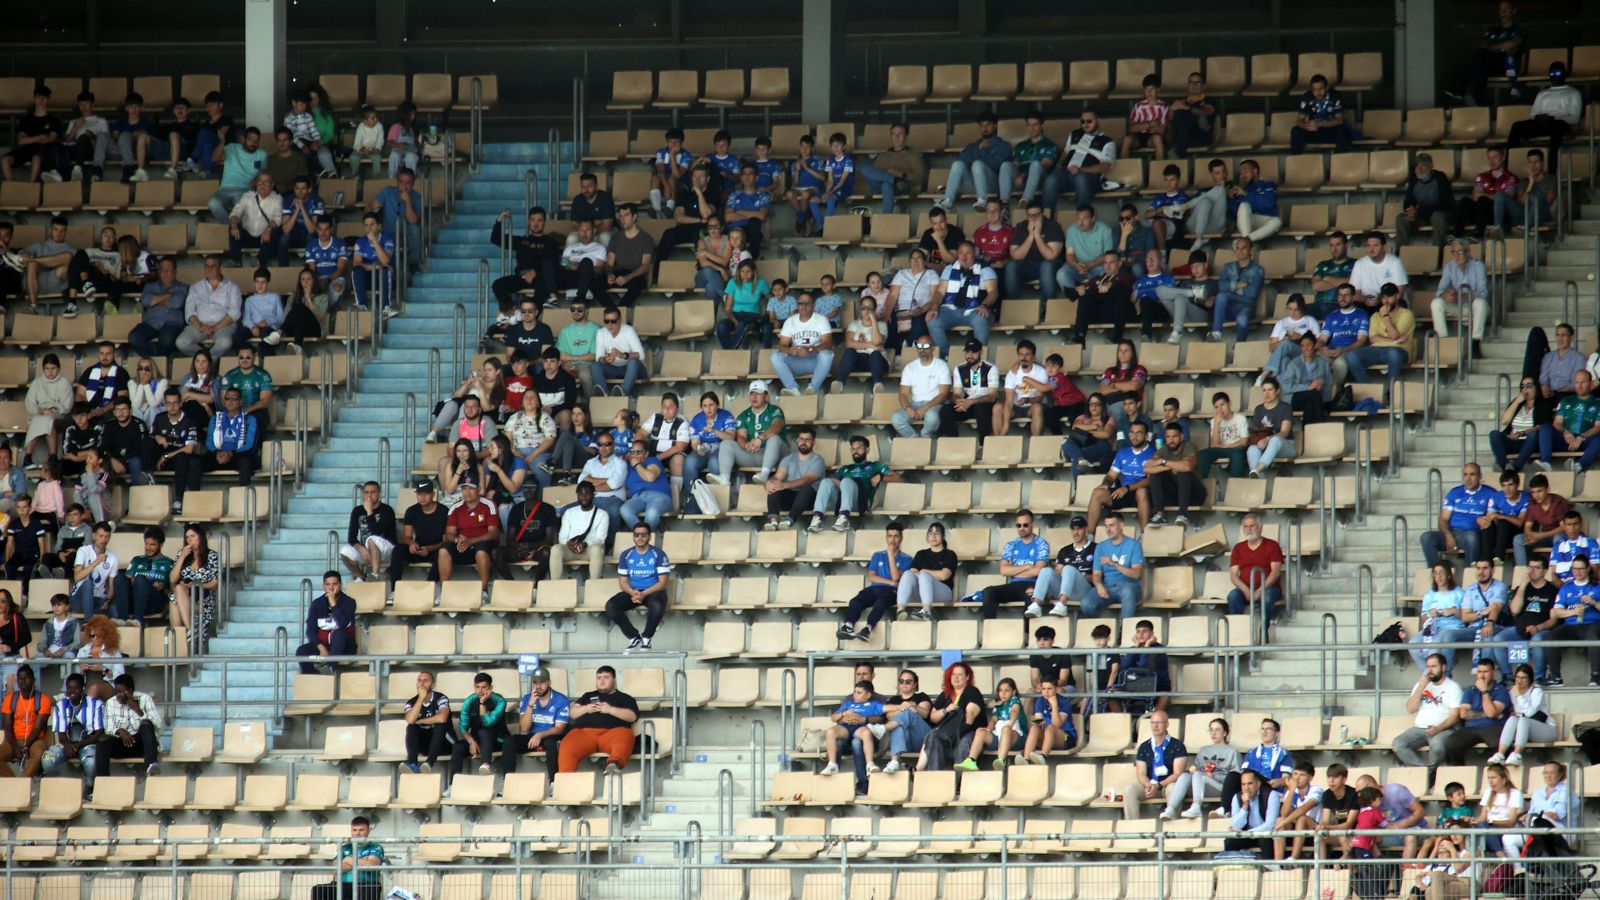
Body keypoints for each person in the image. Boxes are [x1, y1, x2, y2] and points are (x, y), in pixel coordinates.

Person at [837, 522, 913, 641]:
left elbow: (896, 578)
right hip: (875, 588)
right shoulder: (877, 555)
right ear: (886, 537)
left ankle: (867, 629)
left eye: (896, 536)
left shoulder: (907, 559)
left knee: (881, 602)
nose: (892, 540)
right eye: (890, 536)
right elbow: (872, 577)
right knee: (856, 601)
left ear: (901, 538)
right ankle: (848, 626)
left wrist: (891, 555)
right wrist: (890, 582)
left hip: (891, 591)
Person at [496, 665, 570, 787]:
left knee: (551, 743)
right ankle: (507, 783)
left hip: (550, 735)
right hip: (532, 736)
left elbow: (559, 729)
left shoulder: (561, 699)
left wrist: (540, 735)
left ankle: (554, 783)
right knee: (509, 741)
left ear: (549, 682)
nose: (538, 686)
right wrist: (530, 705)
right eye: (535, 682)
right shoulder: (527, 699)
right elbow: (524, 728)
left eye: (542, 682)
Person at [558, 666, 640, 774]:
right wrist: (586, 708)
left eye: (606, 677)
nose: (602, 680)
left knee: (626, 735)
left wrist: (610, 710)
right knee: (567, 743)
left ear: (614, 680)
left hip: (612, 733)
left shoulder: (625, 698)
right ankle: (565, 777)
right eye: (599, 677)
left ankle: (614, 764)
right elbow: (572, 713)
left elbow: (632, 716)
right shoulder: (588, 696)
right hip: (585, 733)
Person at [606, 523, 672, 652]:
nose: (640, 538)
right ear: (633, 537)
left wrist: (644, 594)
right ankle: (633, 637)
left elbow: (663, 582)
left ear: (649, 537)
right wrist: (633, 592)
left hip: (653, 591)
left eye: (643, 535)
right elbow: (623, 582)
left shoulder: (658, 554)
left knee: (658, 604)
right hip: (634, 591)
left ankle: (647, 638)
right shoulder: (626, 555)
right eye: (636, 535)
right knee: (611, 606)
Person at [812, 434, 897, 532]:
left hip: (862, 501)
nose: (856, 451)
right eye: (853, 449)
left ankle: (843, 518)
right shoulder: (845, 468)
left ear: (867, 450)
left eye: (859, 448)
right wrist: (843, 485)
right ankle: (817, 518)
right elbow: (832, 479)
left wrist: (881, 476)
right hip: (842, 500)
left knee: (847, 481)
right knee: (826, 481)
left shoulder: (875, 466)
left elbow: (898, 478)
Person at [1449, 0, 1525, 105]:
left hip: (1508, 65)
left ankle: (1462, 88)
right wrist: (1499, 47)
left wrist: (1492, 47)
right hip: (1489, 64)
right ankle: (1477, 97)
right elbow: (1482, 46)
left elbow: (1511, 44)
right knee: (1479, 57)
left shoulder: (1519, 30)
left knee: (1480, 59)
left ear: (1513, 11)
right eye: (1501, 9)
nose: (1503, 12)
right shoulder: (1493, 31)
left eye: (1506, 9)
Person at [978, 509, 1051, 618]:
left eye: (1025, 525)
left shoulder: (1042, 544)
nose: (1022, 528)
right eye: (1018, 525)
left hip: (1034, 584)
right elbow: (1003, 570)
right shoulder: (1010, 545)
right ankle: (991, 625)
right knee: (988, 592)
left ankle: (1027, 629)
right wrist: (1027, 567)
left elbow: (1038, 571)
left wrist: (1013, 570)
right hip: (1014, 585)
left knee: (1031, 597)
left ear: (1032, 524)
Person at [928, 242, 999, 353]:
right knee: (932, 320)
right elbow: (940, 292)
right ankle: (945, 354)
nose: (964, 257)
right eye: (961, 253)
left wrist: (984, 305)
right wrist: (934, 307)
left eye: (968, 253)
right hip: (950, 309)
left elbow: (993, 292)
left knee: (981, 318)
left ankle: (978, 355)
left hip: (975, 310)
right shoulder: (949, 269)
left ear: (974, 254)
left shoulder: (985, 269)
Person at [1346, 282, 1415, 395]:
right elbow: (1373, 339)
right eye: (1383, 297)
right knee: (1351, 355)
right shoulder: (1375, 316)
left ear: (1397, 296)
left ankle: (1392, 393)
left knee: (1393, 354)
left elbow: (1394, 335)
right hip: (1377, 349)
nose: (1386, 301)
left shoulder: (1406, 314)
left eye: (1389, 297)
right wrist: (1394, 341)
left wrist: (1385, 316)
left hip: (1400, 350)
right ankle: (1370, 392)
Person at [1121, 708, 1189, 820]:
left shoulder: (1177, 745)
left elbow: (1178, 774)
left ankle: (1173, 824)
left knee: (1174, 788)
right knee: (1130, 789)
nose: (1155, 726)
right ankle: (1132, 825)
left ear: (1167, 724)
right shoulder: (1144, 746)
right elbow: (1141, 773)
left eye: (1159, 722)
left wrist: (1158, 785)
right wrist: (1148, 785)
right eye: (1153, 723)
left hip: (1167, 785)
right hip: (1150, 785)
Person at [1440, 659, 1511, 764]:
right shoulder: (1471, 690)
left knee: (1500, 744)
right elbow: (1463, 714)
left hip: (1493, 727)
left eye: (1485, 672)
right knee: (1451, 743)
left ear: (1493, 672)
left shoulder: (1501, 690)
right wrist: (1487, 714)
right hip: (1471, 728)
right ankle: (1459, 771)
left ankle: (1499, 772)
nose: (1482, 676)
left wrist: (1484, 691)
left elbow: (1491, 713)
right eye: (1479, 672)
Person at [1086, 421, 1155, 529]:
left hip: (1142, 492)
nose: (1134, 436)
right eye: (1132, 433)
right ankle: (1090, 535)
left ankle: (1144, 535)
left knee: (1142, 492)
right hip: (1123, 492)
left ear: (1146, 436)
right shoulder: (1123, 452)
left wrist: (1127, 488)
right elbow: (1111, 475)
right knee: (1097, 493)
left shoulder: (1153, 453)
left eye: (1138, 433)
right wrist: (1106, 484)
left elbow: (1150, 480)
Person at [819, 679, 885, 792]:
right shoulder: (849, 703)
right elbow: (834, 718)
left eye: (858, 693)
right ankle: (832, 768)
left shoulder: (875, 702)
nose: (855, 695)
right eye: (854, 692)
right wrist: (844, 715)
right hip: (846, 732)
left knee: (858, 741)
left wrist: (864, 719)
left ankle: (865, 778)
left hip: (861, 732)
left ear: (868, 695)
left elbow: (883, 715)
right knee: (833, 736)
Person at [39, 672, 103, 786]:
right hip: (67, 745)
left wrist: (78, 745)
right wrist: (68, 745)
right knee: (47, 760)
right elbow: (61, 734)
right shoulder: (61, 706)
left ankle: (89, 787)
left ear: (82, 689)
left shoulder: (96, 704)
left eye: (76, 688)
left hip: (87, 744)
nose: (72, 691)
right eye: (69, 688)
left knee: (91, 762)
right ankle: (57, 784)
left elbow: (98, 733)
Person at [437, 481, 500, 599]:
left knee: (481, 551)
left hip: (482, 545)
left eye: (471, 488)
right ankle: (444, 592)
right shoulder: (455, 507)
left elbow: (494, 533)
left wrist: (471, 541)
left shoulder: (488, 504)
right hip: (462, 546)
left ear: (479, 489)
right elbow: (449, 534)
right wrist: (457, 540)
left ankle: (483, 592)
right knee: (443, 550)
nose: (467, 492)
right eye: (464, 488)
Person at [1509, 61, 1581, 163]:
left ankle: (1552, 166)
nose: (1554, 76)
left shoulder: (1573, 92)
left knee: (1557, 128)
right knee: (1517, 126)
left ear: (1564, 74)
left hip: (1561, 124)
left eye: (1557, 73)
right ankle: (1510, 162)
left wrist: (1554, 118)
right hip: (1543, 123)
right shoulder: (1542, 93)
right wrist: (1540, 118)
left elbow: (1575, 118)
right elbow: (1533, 115)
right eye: (1552, 74)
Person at [94, 674, 161, 780]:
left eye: (121, 692)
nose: (118, 695)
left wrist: (138, 710)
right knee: (102, 740)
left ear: (130, 691)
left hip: (142, 746)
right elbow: (108, 728)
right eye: (116, 692)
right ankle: (102, 780)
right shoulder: (111, 703)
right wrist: (119, 730)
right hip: (122, 745)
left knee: (146, 723)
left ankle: (151, 767)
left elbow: (157, 724)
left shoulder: (145, 699)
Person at [938, 115, 1011, 211]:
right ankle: (948, 200)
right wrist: (979, 149)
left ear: (995, 126)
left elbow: (997, 165)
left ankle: (982, 199)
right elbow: (962, 162)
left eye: (988, 125)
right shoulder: (973, 147)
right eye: (982, 125)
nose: (984, 128)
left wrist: (983, 151)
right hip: (973, 184)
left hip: (993, 185)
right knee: (957, 164)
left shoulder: (1002, 145)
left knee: (977, 164)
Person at [1547, 554, 1600, 686]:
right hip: (1570, 626)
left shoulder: (1597, 586)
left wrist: (1594, 603)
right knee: (1550, 637)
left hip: (1592, 624)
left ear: (1588, 568)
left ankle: (1595, 676)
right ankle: (1556, 677)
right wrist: (1572, 612)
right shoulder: (1566, 587)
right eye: (1575, 569)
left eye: (1581, 569)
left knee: (1594, 635)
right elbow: (1556, 611)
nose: (1577, 572)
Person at [176, 255, 242, 358]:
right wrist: (201, 327)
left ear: (221, 268)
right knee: (181, 342)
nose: (209, 269)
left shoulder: (232, 287)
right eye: (206, 266)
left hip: (223, 326)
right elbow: (189, 312)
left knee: (225, 342)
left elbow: (234, 312)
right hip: (199, 325)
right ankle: (206, 359)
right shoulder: (195, 287)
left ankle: (206, 360)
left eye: (213, 266)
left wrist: (216, 327)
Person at [770, 293, 835, 396]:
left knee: (827, 355)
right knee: (775, 356)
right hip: (796, 360)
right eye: (800, 303)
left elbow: (828, 344)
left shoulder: (821, 319)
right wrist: (790, 350)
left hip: (815, 361)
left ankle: (813, 388)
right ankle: (792, 389)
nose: (803, 307)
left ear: (813, 305)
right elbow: (782, 345)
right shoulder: (790, 321)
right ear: (797, 305)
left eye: (807, 304)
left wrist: (810, 350)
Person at [762, 428, 826, 531]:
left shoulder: (818, 460)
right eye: (801, 439)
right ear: (797, 441)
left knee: (806, 488)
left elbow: (807, 479)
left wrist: (784, 485)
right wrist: (770, 482)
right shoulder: (788, 459)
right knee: (774, 485)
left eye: (807, 439)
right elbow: (778, 476)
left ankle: (789, 521)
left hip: (809, 500)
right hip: (790, 498)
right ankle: (773, 522)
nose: (804, 442)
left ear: (813, 443)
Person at [447, 672, 507, 782]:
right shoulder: (469, 701)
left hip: (497, 741)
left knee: (484, 732)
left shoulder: (499, 701)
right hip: (477, 741)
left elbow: (487, 723)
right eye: (477, 687)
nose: (480, 690)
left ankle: (486, 764)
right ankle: (452, 784)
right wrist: (471, 742)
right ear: (474, 687)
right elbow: (463, 727)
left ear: (490, 688)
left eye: (484, 687)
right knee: (458, 747)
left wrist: (482, 703)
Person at [1503, 762, 1571, 859]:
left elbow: (1557, 815)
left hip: (1559, 830)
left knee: (1540, 821)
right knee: (1507, 838)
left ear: (1560, 775)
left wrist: (1534, 816)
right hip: (1535, 828)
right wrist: (1525, 817)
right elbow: (1531, 813)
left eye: (1552, 773)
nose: (1548, 776)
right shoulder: (1538, 793)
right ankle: (1519, 867)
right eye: (1546, 773)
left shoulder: (1565, 791)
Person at [1536, 370, 1600, 472]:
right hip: (1567, 440)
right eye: (1577, 382)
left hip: (1585, 441)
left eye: (1583, 382)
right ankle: (1546, 462)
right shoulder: (1566, 401)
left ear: (1591, 384)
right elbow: (1557, 422)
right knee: (1545, 426)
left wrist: (1582, 436)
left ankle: (1579, 466)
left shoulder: (1597, 403)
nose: (1580, 386)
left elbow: (1598, 426)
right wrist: (1565, 431)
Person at [1005, 196, 1065, 304]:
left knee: (1046, 265)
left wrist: (1037, 235)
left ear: (1043, 214)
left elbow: (1051, 256)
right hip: (1028, 265)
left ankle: (1047, 304)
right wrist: (1030, 236)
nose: (1033, 219)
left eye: (1036, 215)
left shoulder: (1053, 226)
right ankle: (1012, 303)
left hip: (1051, 265)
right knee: (1011, 265)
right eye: (1030, 216)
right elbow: (1016, 256)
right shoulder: (1021, 226)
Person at [1179, 718, 1242, 818]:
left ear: (1225, 733)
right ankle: (1171, 809)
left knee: (1199, 775)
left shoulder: (1232, 752)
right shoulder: (1203, 750)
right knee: (1185, 776)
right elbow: (1197, 770)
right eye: (1211, 730)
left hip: (1221, 787)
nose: (1213, 733)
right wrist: (1193, 769)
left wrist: (1214, 776)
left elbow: (1235, 778)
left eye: (1217, 730)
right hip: (1201, 785)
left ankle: (1196, 806)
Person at [894, 522, 958, 621]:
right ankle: (900, 609)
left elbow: (944, 575)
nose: (933, 536)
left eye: (937, 533)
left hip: (943, 592)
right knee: (907, 574)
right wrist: (923, 574)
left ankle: (926, 611)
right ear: (927, 537)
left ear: (943, 537)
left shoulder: (949, 554)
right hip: (922, 592)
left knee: (924, 574)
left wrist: (924, 572)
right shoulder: (921, 554)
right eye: (930, 533)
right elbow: (912, 572)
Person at [296, 571, 356, 674]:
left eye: (334, 584)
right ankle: (312, 677)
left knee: (339, 633)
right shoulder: (316, 604)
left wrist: (333, 604)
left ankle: (331, 668)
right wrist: (321, 647)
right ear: (324, 586)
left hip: (345, 646)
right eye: (328, 584)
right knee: (302, 651)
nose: (331, 588)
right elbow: (310, 630)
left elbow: (342, 623)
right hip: (324, 645)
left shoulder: (349, 602)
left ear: (340, 585)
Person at [1144, 422, 1204, 527]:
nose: (1171, 440)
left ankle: (1183, 515)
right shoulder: (1164, 449)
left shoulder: (1189, 446)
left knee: (1183, 473)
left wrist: (1163, 462)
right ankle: (1159, 515)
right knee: (1155, 474)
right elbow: (1147, 468)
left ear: (1181, 437)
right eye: (1168, 437)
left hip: (1194, 494)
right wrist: (1171, 467)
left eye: (1174, 436)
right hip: (1175, 495)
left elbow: (1187, 466)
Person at [1087, 511, 1144, 619]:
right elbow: (1096, 574)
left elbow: (1136, 574)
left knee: (1127, 592)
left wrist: (1114, 564)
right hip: (1108, 586)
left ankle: (1123, 628)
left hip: (1129, 586)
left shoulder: (1134, 545)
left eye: (1111, 525)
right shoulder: (1101, 547)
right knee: (1086, 604)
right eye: (1106, 526)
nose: (1108, 530)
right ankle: (1104, 627)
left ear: (1121, 526)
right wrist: (1099, 586)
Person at [891, 337, 952, 438]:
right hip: (914, 404)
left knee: (932, 417)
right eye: (919, 346)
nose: (922, 350)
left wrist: (925, 408)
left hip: (935, 404)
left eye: (926, 346)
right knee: (896, 418)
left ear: (933, 348)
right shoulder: (910, 367)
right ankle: (915, 440)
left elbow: (943, 394)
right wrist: (907, 408)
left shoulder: (942, 366)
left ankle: (926, 437)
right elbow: (903, 394)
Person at [129, 257, 189, 359]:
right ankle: (155, 359)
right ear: (159, 271)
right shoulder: (150, 286)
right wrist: (169, 294)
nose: (166, 273)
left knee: (167, 340)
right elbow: (145, 301)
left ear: (175, 271)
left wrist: (155, 300)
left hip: (173, 324)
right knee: (134, 337)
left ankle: (155, 361)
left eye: (169, 270)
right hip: (151, 323)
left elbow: (177, 303)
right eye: (163, 270)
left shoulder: (183, 287)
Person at [550, 482, 610, 581]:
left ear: (593, 495)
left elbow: (600, 538)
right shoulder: (569, 512)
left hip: (588, 549)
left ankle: (594, 585)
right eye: (581, 494)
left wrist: (585, 544)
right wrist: (569, 544)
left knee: (597, 549)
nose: (584, 497)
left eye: (587, 494)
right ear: (577, 495)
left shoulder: (602, 514)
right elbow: (562, 536)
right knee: (555, 549)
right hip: (570, 548)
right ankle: (554, 584)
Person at [0, 664, 51, 778]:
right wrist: (14, 747)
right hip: (14, 740)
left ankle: (22, 781)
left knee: (38, 754)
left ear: (33, 680)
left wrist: (26, 745)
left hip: (35, 740)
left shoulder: (43, 699)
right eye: (19, 679)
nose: (22, 681)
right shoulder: (10, 699)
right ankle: (13, 782)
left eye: (25, 678)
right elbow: (7, 727)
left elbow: (37, 728)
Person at [1395, 154, 1457, 250]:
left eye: (1423, 165)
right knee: (1401, 218)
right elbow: (1408, 201)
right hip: (1422, 215)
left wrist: (1418, 211)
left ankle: (1438, 252)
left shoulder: (1440, 177)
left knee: (1437, 217)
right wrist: (1410, 210)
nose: (1419, 168)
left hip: (1442, 213)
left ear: (1431, 166)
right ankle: (1400, 252)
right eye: (1417, 165)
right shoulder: (1414, 179)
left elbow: (1444, 204)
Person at [2, 87, 62, 184]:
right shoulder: (26, 119)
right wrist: (39, 137)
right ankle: (12, 185)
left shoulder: (53, 119)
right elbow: (21, 141)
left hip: (42, 150)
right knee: (5, 160)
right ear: (34, 99)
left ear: (48, 100)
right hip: (26, 149)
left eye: (44, 98)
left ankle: (31, 186)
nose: (41, 100)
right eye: (38, 97)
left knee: (36, 158)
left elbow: (52, 139)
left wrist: (31, 139)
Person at [1459, 146, 1519, 241]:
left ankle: (1478, 234)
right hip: (1482, 212)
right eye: (1489, 158)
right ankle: (1456, 236)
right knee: (1465, 201)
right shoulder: (1482, 176)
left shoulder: (1510, 178)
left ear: (1503, 158)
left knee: (1483, 200)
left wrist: (1484, 195)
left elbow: (1506, 197)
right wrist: (1490, 196)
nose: (1492, 161)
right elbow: (1475, 196)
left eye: (1495, 157)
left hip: (1500, 214)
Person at [399, 672, 454, 775]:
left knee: (440, 725)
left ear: (433, 684)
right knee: (411, 727)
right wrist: (420, 698)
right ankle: (413, 764)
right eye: (419, 681)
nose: (422, 684)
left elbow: (442, 718)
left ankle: (429, 763)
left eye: (426, 681)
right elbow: (410, 720)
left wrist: (421, 721)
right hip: (426, 747)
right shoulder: (411, 702)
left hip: (445, 744)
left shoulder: (441, 698)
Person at [1060, 108, 1117, 208]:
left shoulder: (1107, 141)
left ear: (1098, 121)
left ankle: (1082, 214)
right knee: (1051, 179)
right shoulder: (1074, 134)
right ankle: (1047, 214)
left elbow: (1103, 167)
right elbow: (1064, 155)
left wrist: (1080, 170)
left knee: (1081, 178)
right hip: (1067, 173)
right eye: (1082, 122)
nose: (1085, 124)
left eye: (1089, 121)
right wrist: (1059, 168)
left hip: (1089, 178)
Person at [590, 305, 646, 398]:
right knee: (595, 365)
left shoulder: (629, 330)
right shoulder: (601, 332)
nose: (609, 325)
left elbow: (641, 355)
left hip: (633, 369)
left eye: (613, 321)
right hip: (613, 369)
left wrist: (623, 355)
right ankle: (604, 394)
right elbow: (598, 357)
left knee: (633, 361)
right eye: (606, 321)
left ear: (620, 320)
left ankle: (623, 392)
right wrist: (605, 359)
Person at [1227, 770, 1284, 858]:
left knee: (1265, 839)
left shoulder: (1270, 795)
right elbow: (1235, 826)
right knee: (1230, 841)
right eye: (1243, 784)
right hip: (1247, 835)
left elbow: (1270, 825)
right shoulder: (1237, 797)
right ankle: (1232, 865)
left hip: (1264, 834)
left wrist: (1247, 833)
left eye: (1250, 784)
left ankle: (1268, 866)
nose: (1246, 788)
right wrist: (1245, 807)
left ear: (1258, 784)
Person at [1290, 74, 1352, 154]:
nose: (1318, 92)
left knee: (1341, 130)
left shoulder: (1335, 96)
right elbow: (1299, 120)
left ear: (1326, 88)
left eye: (1321, 89)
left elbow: (1339, 120)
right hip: (1314, 131)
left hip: (1330, 130)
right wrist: (1308, 127)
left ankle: (1340, 158)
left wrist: (1320, 124)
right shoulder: (1307, 97)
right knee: (1296, 131)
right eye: (1314, 90)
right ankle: (1296, 158)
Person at [1123, 74, 1170, 161]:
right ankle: (1124, 165)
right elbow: (1132, 128)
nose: (1149, 92)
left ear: (1158, 89)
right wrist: (1150, 124)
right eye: (1146, 89)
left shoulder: (1163, 107)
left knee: (1157, 138)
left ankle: (1159, 166)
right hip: (1139, 137)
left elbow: (1162, 130)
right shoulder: (1138, 106)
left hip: (1153, 138)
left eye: (1152, 89)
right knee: (1127, 139)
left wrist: (1141, 126)